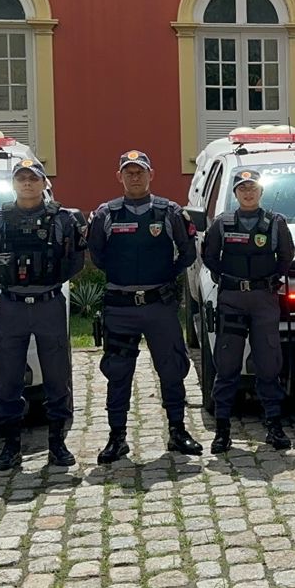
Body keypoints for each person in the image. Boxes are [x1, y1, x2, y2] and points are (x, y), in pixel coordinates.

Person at [87, 150, 204, 463]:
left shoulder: (169, 212)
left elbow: (187, 253)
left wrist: (165, 276)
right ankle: (117, 437)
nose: (134, 177)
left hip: (159, 306)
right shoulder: (105, 215)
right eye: (129, 171)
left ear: (151, 174)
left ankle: (177, 430)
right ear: (119, 176)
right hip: (121, 307)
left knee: (172, 367)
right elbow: (97, 255)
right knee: (118, 371)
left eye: (140, 171)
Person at [0, 158, 87, 470]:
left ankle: (57, 445)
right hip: (11, 305)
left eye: (33, 179)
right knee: (8, 379)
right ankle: (11, 447)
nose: (27, 184)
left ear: (43, 183)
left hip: (48, 304)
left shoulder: (63, 220)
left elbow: (76, 260)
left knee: (56, 377)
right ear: (14, 183)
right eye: (22, 178)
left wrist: (49, 279)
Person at [201, 169, 295, 453]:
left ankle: (274, 426)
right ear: (235, 193)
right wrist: (228, 282)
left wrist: (269, 282)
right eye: (242, 188)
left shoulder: (275, 223)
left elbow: (286, 256)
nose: (248, 192)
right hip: (232, 299)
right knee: (227, 364)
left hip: (263, 300)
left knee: (268, 364)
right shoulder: (223, 223)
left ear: (260, 191)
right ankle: (222, 431)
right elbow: (209, 257)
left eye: (252, 187)